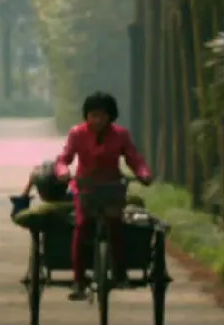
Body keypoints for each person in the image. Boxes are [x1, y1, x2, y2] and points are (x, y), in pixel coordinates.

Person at [54, 91, 152, 300]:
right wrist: (62, 172)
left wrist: (143, 173)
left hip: (112, 188)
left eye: (102, 115)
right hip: (85, 188)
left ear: (110, 116)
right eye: (93, 115)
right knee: (81, 227)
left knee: (115, 225)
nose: (97, 120)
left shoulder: (121, 135)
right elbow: (63, 159)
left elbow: (134, 159)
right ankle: (79, 280)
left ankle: (120, 273)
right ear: (86, 116)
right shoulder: (77, 134)